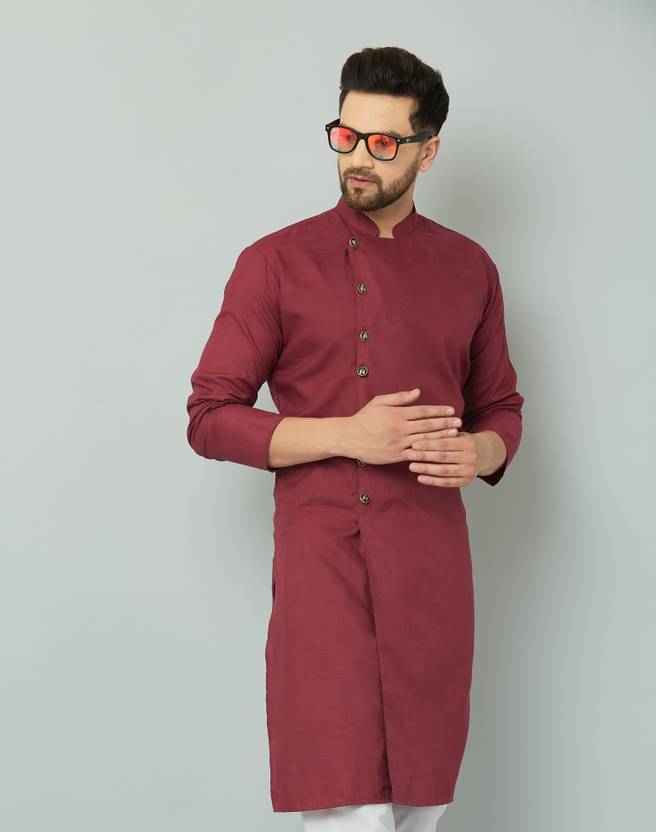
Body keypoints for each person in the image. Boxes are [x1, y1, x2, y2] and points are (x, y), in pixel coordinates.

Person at [186, 45, 524, 832]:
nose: (357, 157)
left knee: (421, 813)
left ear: (427, 151)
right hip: (326, 575)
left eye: (382, 142)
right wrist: (350, 435)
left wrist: (481, 452)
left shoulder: (469, 268)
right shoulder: (275, 263)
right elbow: (209, 416)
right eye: (345, 135)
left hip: (433, 573)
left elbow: (501, 405)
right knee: (351, 815)